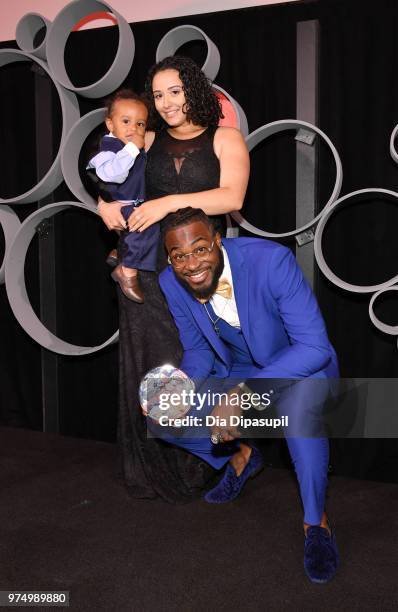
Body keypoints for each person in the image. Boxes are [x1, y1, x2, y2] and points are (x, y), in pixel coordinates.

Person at [157, 207, 340, 583]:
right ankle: (242, 456)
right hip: (239, 367)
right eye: (179, 255)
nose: (191, 264)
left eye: (200, 249)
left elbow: (314, 347)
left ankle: (315, 523)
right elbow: (199, 352)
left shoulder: (271, 261)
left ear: (218, 240)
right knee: (162, 416)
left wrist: (242, 394)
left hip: (298, 367)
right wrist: (178, 387)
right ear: (169, 258)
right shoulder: (170, 282)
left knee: (301, 415)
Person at [96, 56, 250, 502]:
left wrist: (168, 203)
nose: (165, 103)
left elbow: (232, 196)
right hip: (147, 271)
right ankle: (152, 469)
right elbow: (112, 176)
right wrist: (100, 205)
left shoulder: (225, 137)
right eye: (158, 94)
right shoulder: (148, 139)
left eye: (175, 91)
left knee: (196, 365)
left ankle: (218, 458)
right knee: (151, 366)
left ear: (194, 91)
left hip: (199, 275)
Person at [87, 89, 157, 303]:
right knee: (146, 228)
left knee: (150, 231)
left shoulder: (133, 147)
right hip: (124, 205)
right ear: (110, 124)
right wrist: (133, 149)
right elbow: (114, 175)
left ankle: (121, 252)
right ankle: (127, 271)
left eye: (140, 124)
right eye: (126, 121)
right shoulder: (109, 150)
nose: (133, 129)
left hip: (136, 203)